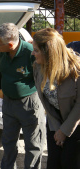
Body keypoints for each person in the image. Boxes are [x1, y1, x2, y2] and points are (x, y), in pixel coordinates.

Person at [0, 23, 46, 169]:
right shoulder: (3, 51)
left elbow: (43, 80)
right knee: (8, 143)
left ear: (10, 44)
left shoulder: (31, 53)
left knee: (33, 145)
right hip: (9, 104)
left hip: (29, 104)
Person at [32, 28, 80, 169]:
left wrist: (65, 131)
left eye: (36, 50)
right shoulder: (38, 66)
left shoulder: (75, 69)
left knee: (69, 162)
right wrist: (57, 128)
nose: (32, 53)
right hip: (55, 121)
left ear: (49, 53)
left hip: (76, 122)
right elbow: (46, 103)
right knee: (53, 163)